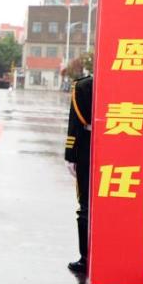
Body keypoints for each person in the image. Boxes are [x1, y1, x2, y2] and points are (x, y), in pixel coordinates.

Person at [65, 74, 92, 273]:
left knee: (86, 206)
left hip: (87, 150)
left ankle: (86, 258)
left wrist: (70, 154)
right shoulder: (132, 83)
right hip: (123, 151)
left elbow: (75, 124)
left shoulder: (83, 86)